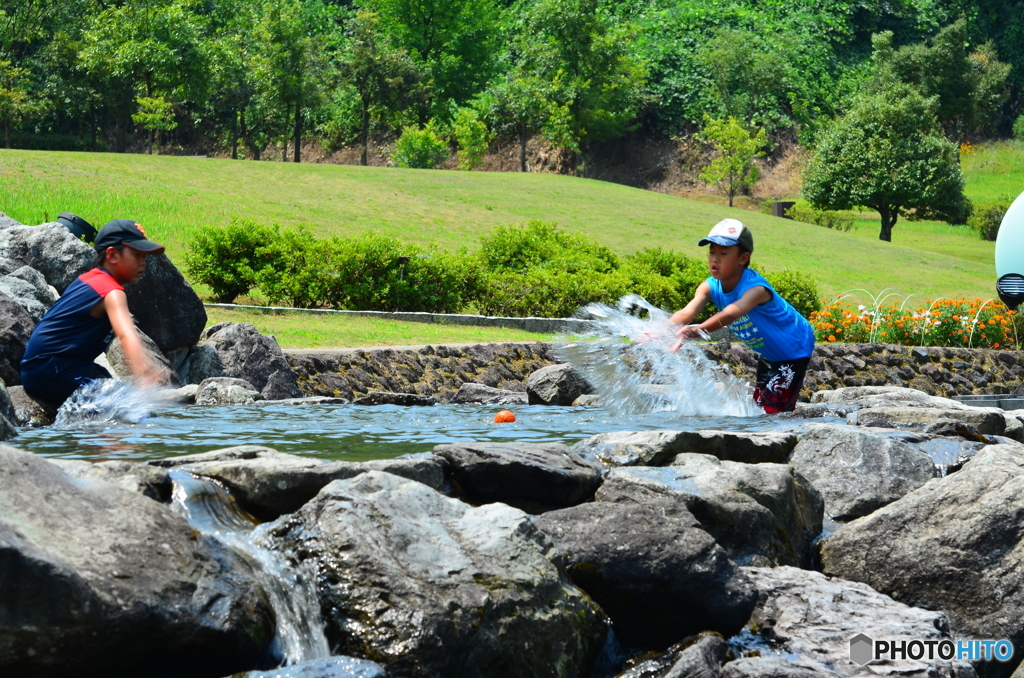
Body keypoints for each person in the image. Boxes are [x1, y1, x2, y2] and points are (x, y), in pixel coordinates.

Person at [669, 218, 815, 413]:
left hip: (794, 347)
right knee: (759, 407)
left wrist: (699, 330)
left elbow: (730, 313)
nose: (715, 259)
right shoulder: (709, 286)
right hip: (770, 352)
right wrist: (661, 329)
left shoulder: (755, 289)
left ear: (742, 259)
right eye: (712, 252)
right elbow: (687, 311)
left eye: (723, 253)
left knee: (774, 409)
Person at [20, 219, 170, 408]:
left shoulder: (89, 279)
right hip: (54, 370)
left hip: (44, 367)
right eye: (137, 255)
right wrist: (145, 374)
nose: (143, 263)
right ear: (113, 255)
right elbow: (126, 334)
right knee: (133, 411)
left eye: (144, 257)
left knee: (110, 386)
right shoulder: (111, 292)